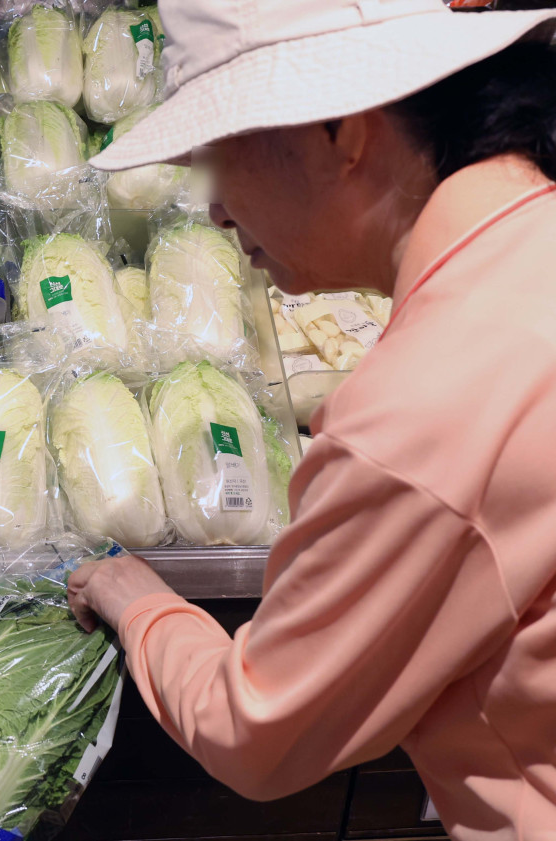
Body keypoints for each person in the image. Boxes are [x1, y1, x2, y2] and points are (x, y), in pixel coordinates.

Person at [68, 1, 556, 838]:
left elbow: (256, 727)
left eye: (219, 156)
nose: (216, 209)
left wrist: (133, 595)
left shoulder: (421, 413)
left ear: (343, 129)